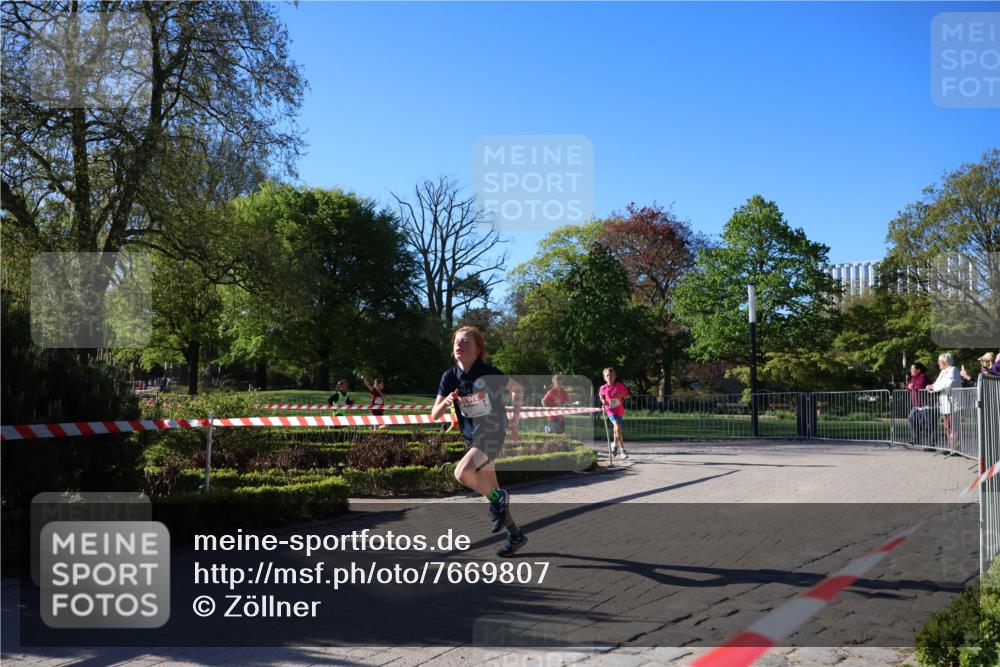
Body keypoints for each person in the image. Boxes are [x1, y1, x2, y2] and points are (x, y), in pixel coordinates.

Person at [430, 326, 526, 558]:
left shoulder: (488, 372)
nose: (459, 344)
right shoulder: (449, 376)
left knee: (462, 473)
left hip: (493, 432)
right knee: (491, 491)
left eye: (465, 341)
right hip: (472, 436)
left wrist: (514, 420)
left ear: (477, 349)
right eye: (456, 341)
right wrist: (448, 401)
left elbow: (517, 389)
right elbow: (435, 414)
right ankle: (515, 534)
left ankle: (499, 499)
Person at [927, 353, 963, 454]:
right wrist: (931, 386)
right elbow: (936, 383)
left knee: (954, 426)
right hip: (945, 403)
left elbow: (949, 383)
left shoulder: (953, 370)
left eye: (940, 361)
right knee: (947, 426)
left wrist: (934, 387)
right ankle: (950, 447)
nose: (938, 363)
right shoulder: (942, 372)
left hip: (953, 403)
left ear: (946, 361)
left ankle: (955, 449)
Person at [599, 367, 630, 459]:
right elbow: (602, 397)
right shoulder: (603, 388)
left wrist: (620, 395)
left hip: (619, 410)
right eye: (607, 375)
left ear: (615, 376)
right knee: (617, 427)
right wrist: (603, 400)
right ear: (604, 377)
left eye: (611, 375)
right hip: (610, 411)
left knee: (616, 430)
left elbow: (628, 396)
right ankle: (622, 450)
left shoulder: (620, 386)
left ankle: (614, 445)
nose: (609, 377)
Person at [904, 362, 931, 445]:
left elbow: (920, 386)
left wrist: (912, 386)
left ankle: (930, 443)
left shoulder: (923, 377)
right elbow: (907, 385)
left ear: (918, 370)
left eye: (912, 369)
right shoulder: (914, 378)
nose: (911, 371)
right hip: (916, 405)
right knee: (910, 418)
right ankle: (917, 439)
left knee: (927, 424)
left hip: (925, 405)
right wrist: (909, 386)